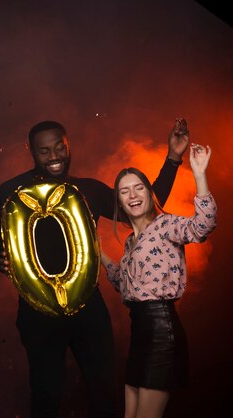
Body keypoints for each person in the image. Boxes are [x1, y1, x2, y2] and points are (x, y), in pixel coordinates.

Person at [0, 118, 190, 418]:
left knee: (104, 392)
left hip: (88, 310)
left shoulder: (88, 190)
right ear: (31, 150)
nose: (54, 156)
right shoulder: (10, 192)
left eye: (60, 147)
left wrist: (173, 159)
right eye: (45, 151)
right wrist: (1, 261)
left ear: (68, 146)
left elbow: (145, 204)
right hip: (38, 312)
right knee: (46, 396)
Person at [99, 143, 215, 418]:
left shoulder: (166, 225)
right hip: (139, 333)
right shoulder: (130, 242)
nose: (132, 195)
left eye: (138, 187)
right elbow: (123, 285)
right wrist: (100, 253)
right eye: (124, 191)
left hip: (162, 332)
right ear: (120, 202)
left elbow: (203, 226)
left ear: (149, 194)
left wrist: (199, 174)